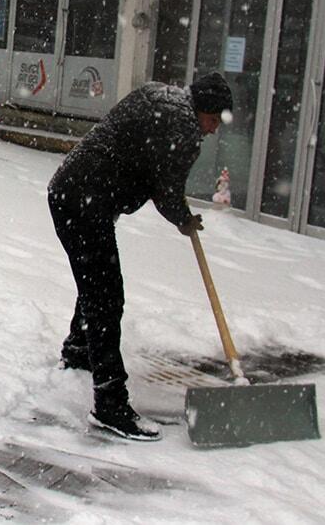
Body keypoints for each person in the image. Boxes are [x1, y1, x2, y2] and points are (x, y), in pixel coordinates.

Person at [47, 72, 232, 441]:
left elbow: (144, 161)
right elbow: (165, 187)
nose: (213, 130)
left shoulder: (160, 96)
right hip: (86, 201)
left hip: (73, 191)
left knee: (95, 281)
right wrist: (183, 219)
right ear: (203, 109)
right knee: (106, 297)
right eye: (214, 120)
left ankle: (79, 350)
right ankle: (110, 405)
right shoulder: (181, 126)